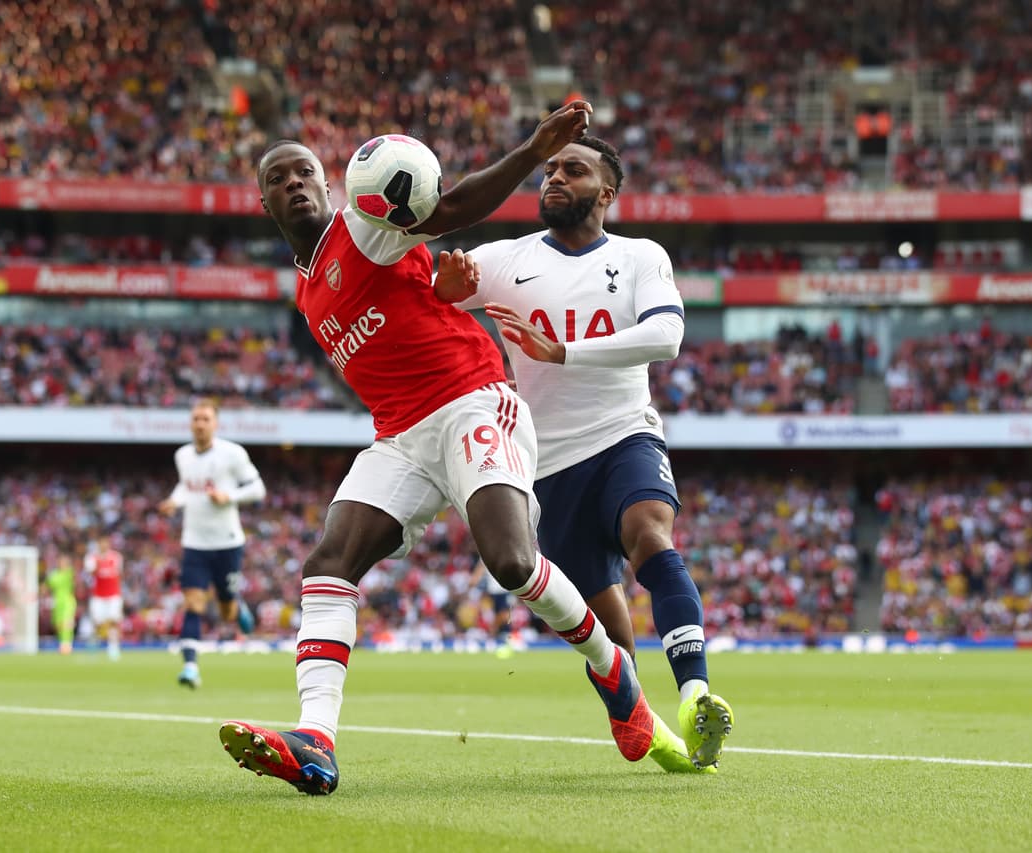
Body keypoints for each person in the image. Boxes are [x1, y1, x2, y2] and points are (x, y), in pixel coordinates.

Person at [220, 101, 698, 798]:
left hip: (473, 400)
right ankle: (314, 739)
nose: (294, 183)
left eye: (304, 173)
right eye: (279, 178)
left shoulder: (368, 227)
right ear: (263, 200)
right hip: (401, 434)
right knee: (330, 560)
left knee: (510, 561)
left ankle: (613, 669)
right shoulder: (305, 292)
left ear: (331, 188)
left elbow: (449, 208)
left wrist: (534, 151)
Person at [436, 134, 733, 770]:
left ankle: (697, 694)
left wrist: (560, 352)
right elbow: (428, 298)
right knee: (607, 631)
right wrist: (442, 285)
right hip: (545, 464)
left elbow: (666, 335)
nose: (554, 178)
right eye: (549, 170)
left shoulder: (638, 256)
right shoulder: (502, 260)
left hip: (625, 431)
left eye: (573, 169)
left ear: (607, 191)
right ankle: (659, 738)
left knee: (649, 534)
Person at [159, 398, 267, 688]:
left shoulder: (232, 454)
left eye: (206, 419)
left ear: (216, 424)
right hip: (194, 542)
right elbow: (186, 485)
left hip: (227, 543)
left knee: (226, 611)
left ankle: (236, 606)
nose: (200, 424)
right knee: (193, 602)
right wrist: (174, 501)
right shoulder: (183, 455)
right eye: (196, 419)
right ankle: (191, 667)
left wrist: (228, 497)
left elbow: (258, 489)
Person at [83, 535, 124, 661]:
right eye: (101, 542)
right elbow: (90, 573)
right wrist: (99, 564)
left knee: (113, 621)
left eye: (106, 542)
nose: (104, 545)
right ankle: (94, 646)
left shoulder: (116, 557)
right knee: (97, 622)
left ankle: (113, 647)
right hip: (98, 595)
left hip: (113, 595)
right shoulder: (92, 557)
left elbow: (118, 573)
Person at [44, 554, 77, 655]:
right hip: (57, 603)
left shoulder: (69, 573)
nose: (62, 564)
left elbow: (75, 579)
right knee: (58, 625)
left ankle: (66, 645)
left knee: (66, 623)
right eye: (60, 562)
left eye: (64, 562)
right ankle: (63, 643)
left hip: (68, 601)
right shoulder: (53, 575)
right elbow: (46, 587)